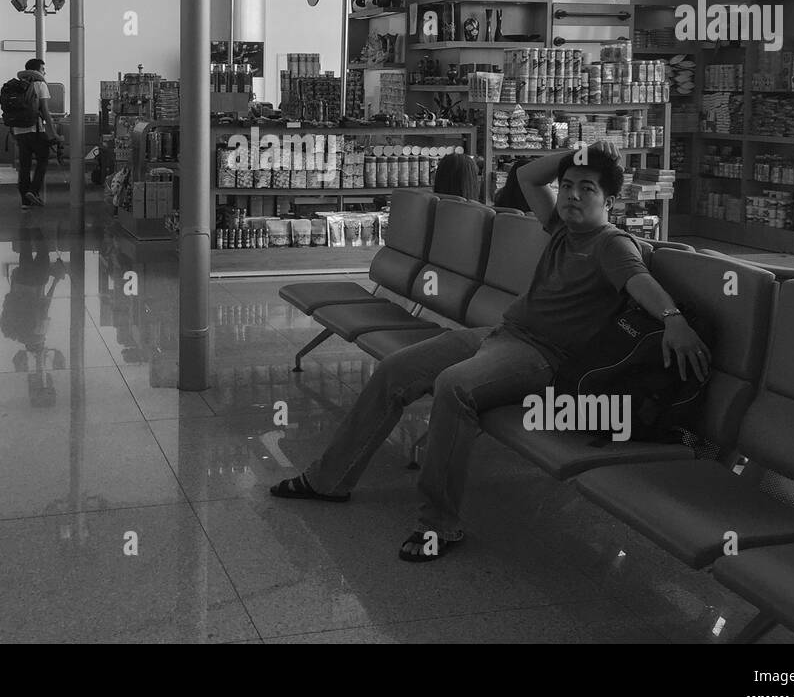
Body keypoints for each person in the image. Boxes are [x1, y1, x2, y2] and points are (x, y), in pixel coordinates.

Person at [269, 142, 712, 562]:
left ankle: (440, 524)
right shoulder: (562, 229)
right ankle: (329, 481)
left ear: (610, 201)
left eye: (588, 189)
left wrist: (673, 319)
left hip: (542, 357)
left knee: (453, 387)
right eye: (570, 186)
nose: (574, 196)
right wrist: (580, 152)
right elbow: (526, 175)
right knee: (396, 370)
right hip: (501, 334)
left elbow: (639, 279)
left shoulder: (610, 243)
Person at [10, 58, 52, 210]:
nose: (44, 72)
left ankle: (25, 202)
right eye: (42, 69)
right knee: (43, 160)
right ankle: (33, 190)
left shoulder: (16, 86)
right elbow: (45, 112)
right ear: (36, 71)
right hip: (35, 130)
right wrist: (53, 133)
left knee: (24, 166)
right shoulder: (40, 85)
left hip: (19, 131)